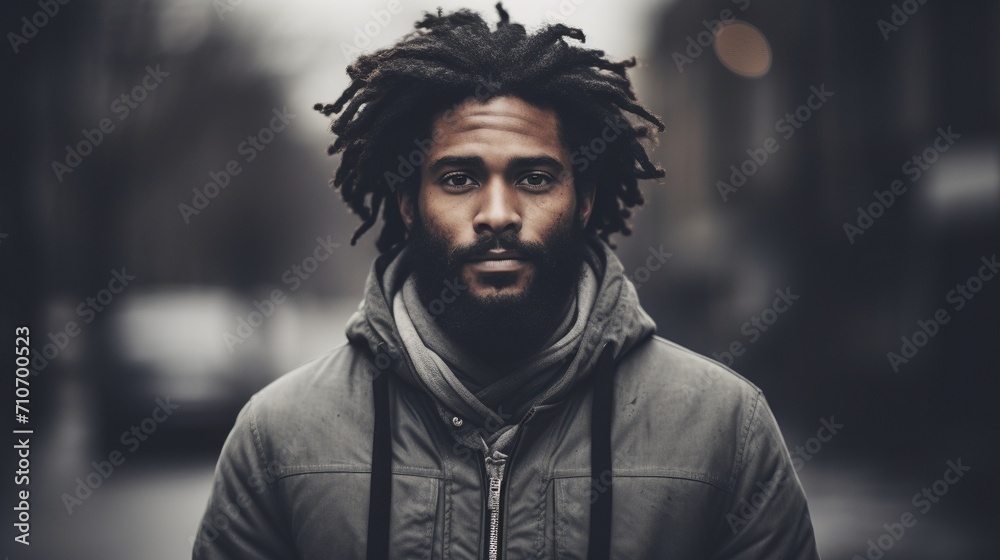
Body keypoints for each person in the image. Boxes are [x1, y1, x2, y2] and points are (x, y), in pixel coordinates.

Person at [193, 4, 820, 559]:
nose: (497, 214)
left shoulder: (723, 431)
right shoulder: (279, 437)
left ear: (584, 199)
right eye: (460, 178)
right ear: (409, 201)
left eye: (535, 178)